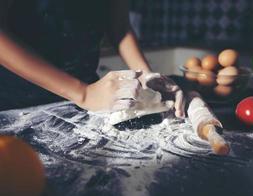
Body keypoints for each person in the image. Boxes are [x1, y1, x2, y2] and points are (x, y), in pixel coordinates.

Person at [0, 0, 184, 117]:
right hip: (16, 102)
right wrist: (82, 92)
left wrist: (147, 76)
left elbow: (120, 27)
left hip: (86, 99)